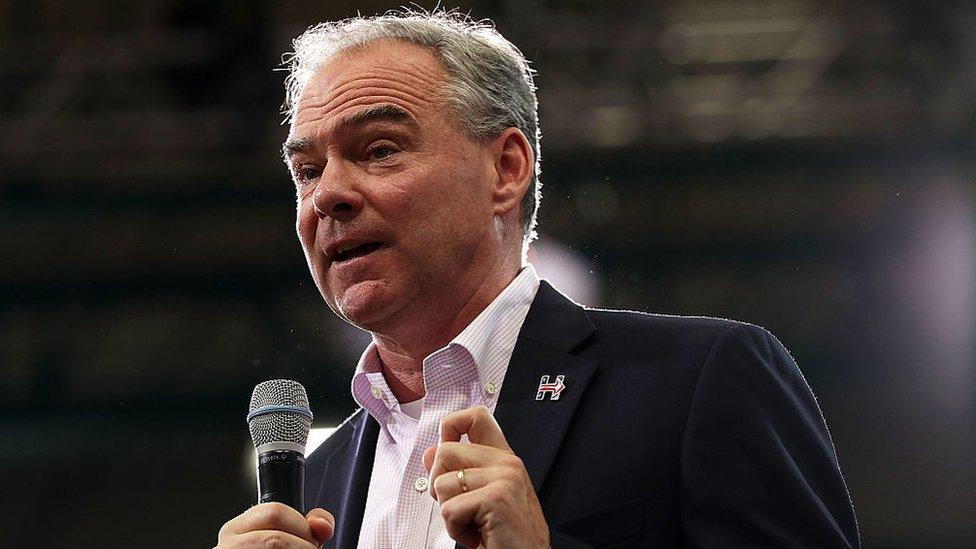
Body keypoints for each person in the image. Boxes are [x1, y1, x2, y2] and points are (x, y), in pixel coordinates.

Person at [216, 9, 859, 549]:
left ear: (506, 168)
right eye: (305, 171)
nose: (327, 195)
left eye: (379, 149)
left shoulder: (697, 382)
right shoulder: (318, 488)